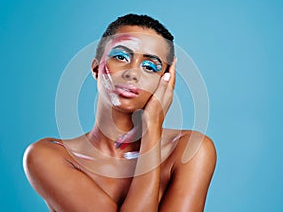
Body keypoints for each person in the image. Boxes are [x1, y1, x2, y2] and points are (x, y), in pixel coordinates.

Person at [23, 13, 216, 212]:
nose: (132, 72)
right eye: (120, 57)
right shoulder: (48, 156)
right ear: (96, 68)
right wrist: (151, 133)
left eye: (149, 66)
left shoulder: (189, 151)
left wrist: (152, 128)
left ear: (165, 81)